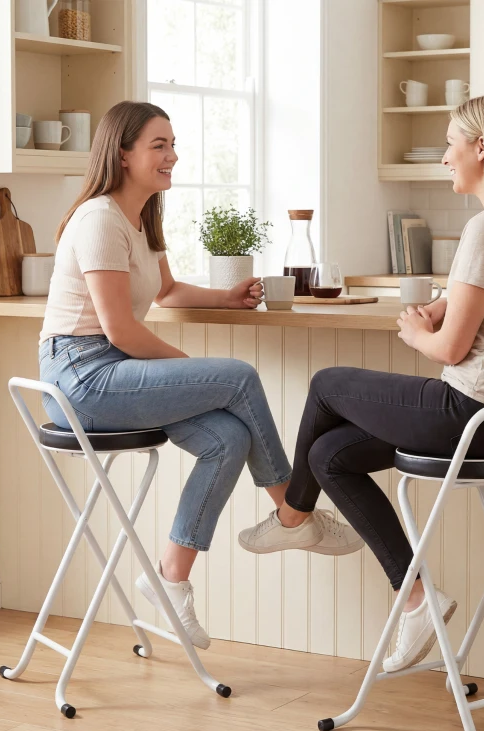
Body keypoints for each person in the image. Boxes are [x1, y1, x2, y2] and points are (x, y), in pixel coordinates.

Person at [239, 93, 484, 673]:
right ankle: (417, 599)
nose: (444, 157)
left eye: (450, 143)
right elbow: (479, 308)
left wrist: (417, 332)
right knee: (329, 454)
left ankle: (294, 517)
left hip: (468, 411)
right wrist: (441, 307)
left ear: (482, 148)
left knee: (327, 382)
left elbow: (450, 349)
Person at [39, 101, 361, 650]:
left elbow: (165, 292)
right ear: (122, 153)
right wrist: (193, 372)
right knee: (236, 377)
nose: (172, 156)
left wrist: (227, 298)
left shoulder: (140, 219)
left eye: (172, 144)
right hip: (81, 379)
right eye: (158, 146)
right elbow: (119, 330)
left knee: (228, 439)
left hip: (113, 371)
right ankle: (291, 511)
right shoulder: (98, 218)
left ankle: (171, 580)